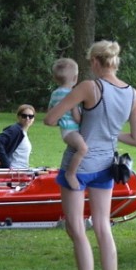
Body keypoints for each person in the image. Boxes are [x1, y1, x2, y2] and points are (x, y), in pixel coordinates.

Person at [44, 40, 136, 270]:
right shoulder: (132, 93)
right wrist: (111, 133)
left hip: (78, 166)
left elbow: (52, 118)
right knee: (103, 228)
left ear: (95, 62)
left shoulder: (89, 86)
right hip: (106, 165)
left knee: (76, 227)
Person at [48, 58, 87, 191]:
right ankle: (70, 173)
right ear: (75, 78)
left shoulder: (55, 94)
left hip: (65, 130)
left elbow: (51, 114)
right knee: (83, 149)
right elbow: (76, 118)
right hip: (72, 130)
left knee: (79, 149)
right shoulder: (72, 94)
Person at [0, 104, 36, 169]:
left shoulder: (23, 132)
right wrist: (5, 163)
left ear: (33, 118)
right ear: (18, 117)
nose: (27, 118)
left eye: (30, 116)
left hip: (21, 170)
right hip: (13, 172)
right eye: (24, 116)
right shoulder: (15, 130)